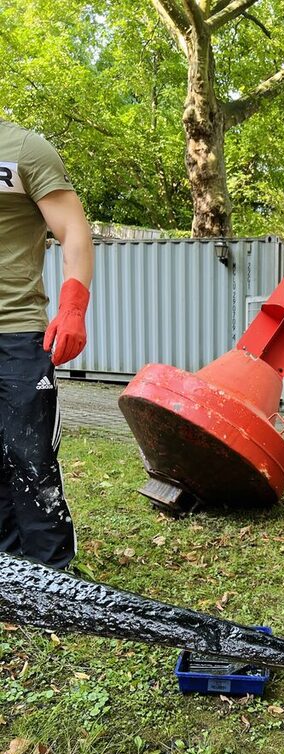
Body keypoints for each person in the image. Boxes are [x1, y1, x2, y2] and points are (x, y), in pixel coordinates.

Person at [1, 118, 93, 570]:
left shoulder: (25, 148)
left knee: (28, 454)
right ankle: (9, 569)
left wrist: (73, 304)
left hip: (15, 330)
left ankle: (51, 575)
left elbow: (73, 230)